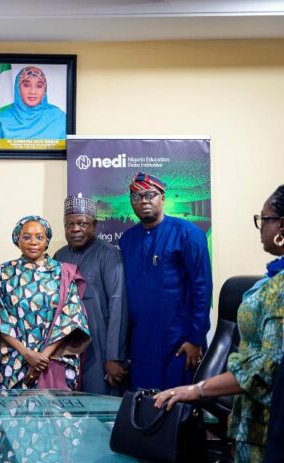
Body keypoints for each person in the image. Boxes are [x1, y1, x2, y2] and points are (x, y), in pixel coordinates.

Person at [155, 184, 284, 463]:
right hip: (249, 418)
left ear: (282, 226)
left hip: (270, 425)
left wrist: (195, 390)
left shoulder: (282, 289)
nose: (260, 228)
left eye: (264, 219)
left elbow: (265, 368)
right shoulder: (273, 279)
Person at [119, 172, 212, 391]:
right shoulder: (128, 240)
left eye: (150, 195)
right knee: (144, 409)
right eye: (137, 197)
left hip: (180, 342)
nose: (143, 201)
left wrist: (195, 339)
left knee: (179, 410)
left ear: (163, 197)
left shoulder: (188, 234)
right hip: (141, 341)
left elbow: (202, 287)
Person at [0, 215, 90, 390]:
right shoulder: (4, 273)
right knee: (13, 415)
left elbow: (71, 318)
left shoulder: (62, 272)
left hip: (52, 360)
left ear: (47, 240)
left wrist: (42, 358)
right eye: (26, 237)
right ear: (17, 239)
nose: (33, 242)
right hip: (14, 361)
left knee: (52, 415)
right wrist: (27, 354)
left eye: (39, 237)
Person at [54, 194, 129, 395]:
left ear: (94, 225)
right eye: (69, 224)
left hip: (99, 344)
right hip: (67, 346)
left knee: (99, 403)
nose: (75, 229)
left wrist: (113, 357)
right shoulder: (59, 256)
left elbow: (118, 306)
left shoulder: (108, 254)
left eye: (82, 223)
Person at [0, 66, 66, 141]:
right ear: (17, 88)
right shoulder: (2, 119)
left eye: (39, 86)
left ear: (45, 90)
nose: (32, 92)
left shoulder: (59, 118)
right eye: (26, 85)